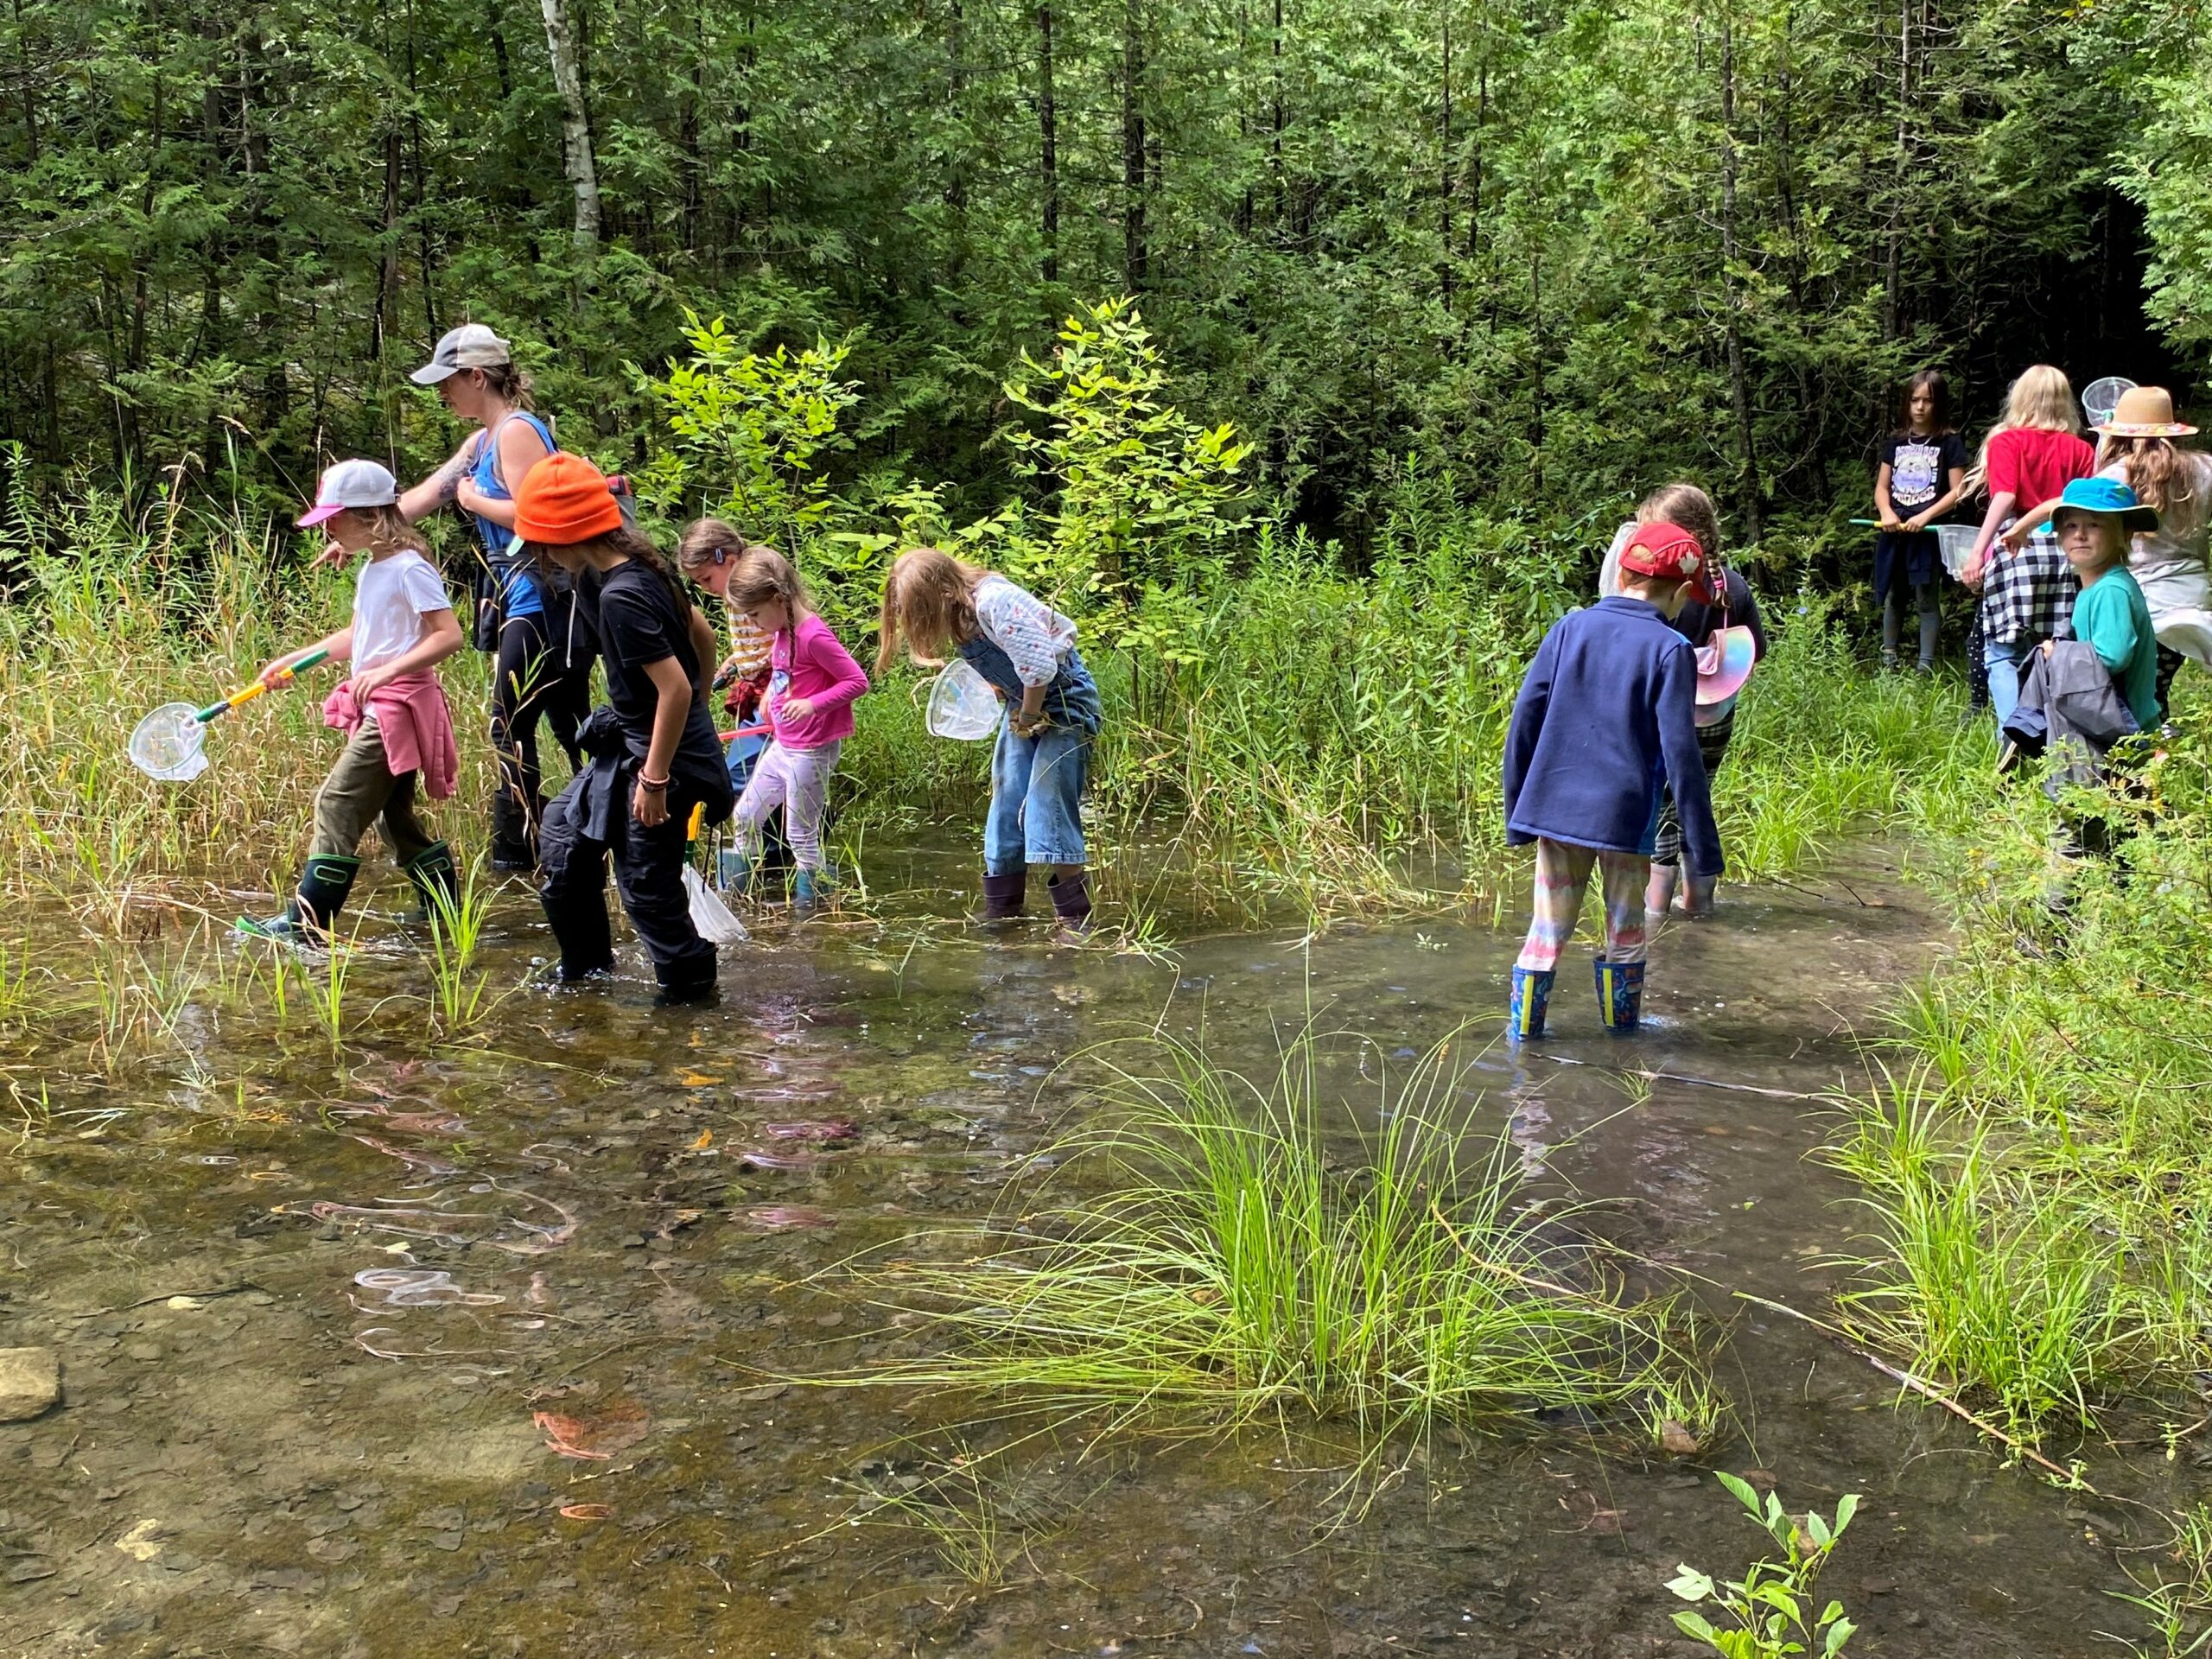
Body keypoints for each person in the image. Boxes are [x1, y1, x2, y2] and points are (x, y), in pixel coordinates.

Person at [511, 454, 734, 1003]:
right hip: (634, 745)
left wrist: (656, 777)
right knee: (563, 838)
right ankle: (586, 975)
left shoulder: (622, 594)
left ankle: (692, 1003)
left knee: (645, 888)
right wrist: (696, 713)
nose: (537, 557)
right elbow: (701, 637)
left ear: (561, 537)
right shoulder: (611, 572)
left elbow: (675, 689)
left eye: (538, 544)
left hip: (663, 763)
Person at [1503, 522, 1724, 1039]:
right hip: (1627, 821)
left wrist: (1519, 812)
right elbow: (1682, 755)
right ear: (1683, 594)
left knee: (1545, 933)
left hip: (1555, 812)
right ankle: (1623, 1045)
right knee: (1626, 933)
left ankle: (1524, 1046)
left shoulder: (1569, 628)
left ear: (1622, 571)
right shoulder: (1671, 650)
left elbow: (1524, 721)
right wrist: (1704, 849)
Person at [399, 324, 594, 872]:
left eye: (448, 381)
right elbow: (421, 498)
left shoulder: (515, 433)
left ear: (477, 376)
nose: (441, 392)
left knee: (515, 724)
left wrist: (473, 500)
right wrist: (355, 533)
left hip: (545, 596)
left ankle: (520, 855)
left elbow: (544, 519)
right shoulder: (481, 441)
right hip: (517, 596)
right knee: (565, 722)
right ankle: (564, 843)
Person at [246, 461, 464, 940]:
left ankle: (308, 923)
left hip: (400, 706)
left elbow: (448, 635)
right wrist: (297, 658)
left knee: (336, 801)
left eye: (334, 517)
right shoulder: (374, 568)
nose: (327, 527)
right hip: (381, 701)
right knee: (393, 814)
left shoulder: (410, 568)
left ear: (370, 515)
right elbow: (362, 635)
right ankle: (446, 909)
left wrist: (387, 671)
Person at [876, 547, 1102, 930]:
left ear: (941, 593)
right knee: (1006, 804)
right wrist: (1000, 692)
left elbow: (1041, 667)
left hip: (1064, 703)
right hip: (1023, 704)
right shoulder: (961, 612)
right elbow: (1007, 663)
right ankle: (1004, 915)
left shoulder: (994, 602)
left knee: (1048, 807)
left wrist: (1029, 717)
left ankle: (1075, 922)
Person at [1622, 485, 1766, 919]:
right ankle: (1700, 905)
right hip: (1715, 713)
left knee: (1662, 805)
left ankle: (1655, 915)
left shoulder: (1663, 588)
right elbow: (1752, 653)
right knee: (1696, 798)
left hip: (1664, 710)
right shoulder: (1733, 585)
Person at [720, 546, 869, 904]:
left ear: (778, 598)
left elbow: (857, 681)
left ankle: (813, 911)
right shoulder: (781, 632)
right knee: (745, 815)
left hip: (811, 751)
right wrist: (772, 691)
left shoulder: (813, 635)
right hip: (784, 745)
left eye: (755, 614)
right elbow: (784, 672)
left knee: (800, 832)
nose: (754, 624)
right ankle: (741, 899)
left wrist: (812, 704)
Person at [1961, 365, 2095, 728]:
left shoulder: (2007, 441)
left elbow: (2005, 495)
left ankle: (2014, 736)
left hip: (2018, 547)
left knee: (2002, 651)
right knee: (2057, 646)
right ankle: (2058, 736)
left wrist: (1979, 550)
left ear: (2019, 398)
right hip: (2065, 550)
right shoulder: (2081, 450)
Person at [675, 519, 793, 885]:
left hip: (773, 694)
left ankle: (778, 852)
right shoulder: (735, 592)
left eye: (706, 579)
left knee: (737, 780)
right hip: (754, 687)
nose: (706, 589)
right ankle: (775, 861)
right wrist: (729, 666)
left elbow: (788, 632)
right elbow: (752, 642)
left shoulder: (753, 582)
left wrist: (779, 680)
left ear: (725, 557)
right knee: (767, 778)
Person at [2082, 386, 2209, 713]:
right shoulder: (2204, 469)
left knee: (2128, 697)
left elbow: (2085, 508)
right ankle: (2162, 754)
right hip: (2189, 598)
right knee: (2155, 690)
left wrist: (2021, 526)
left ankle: (2146, 756)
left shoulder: (2117, 474)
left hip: (2136, 601)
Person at [1873, 370, 1969, 672]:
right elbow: (1881, 487)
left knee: (1926, 598)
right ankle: (1889, 660)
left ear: (1938, 404)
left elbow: (1959, 490)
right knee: (1894, 595)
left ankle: (1924, 666)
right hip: (1896, 531)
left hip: (1927, 533)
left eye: (1927, 401)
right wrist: (1887, 513)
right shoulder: (1896, 441)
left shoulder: (1950, 442)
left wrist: (1925, 515)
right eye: (1914, 400)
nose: (1919, 407)